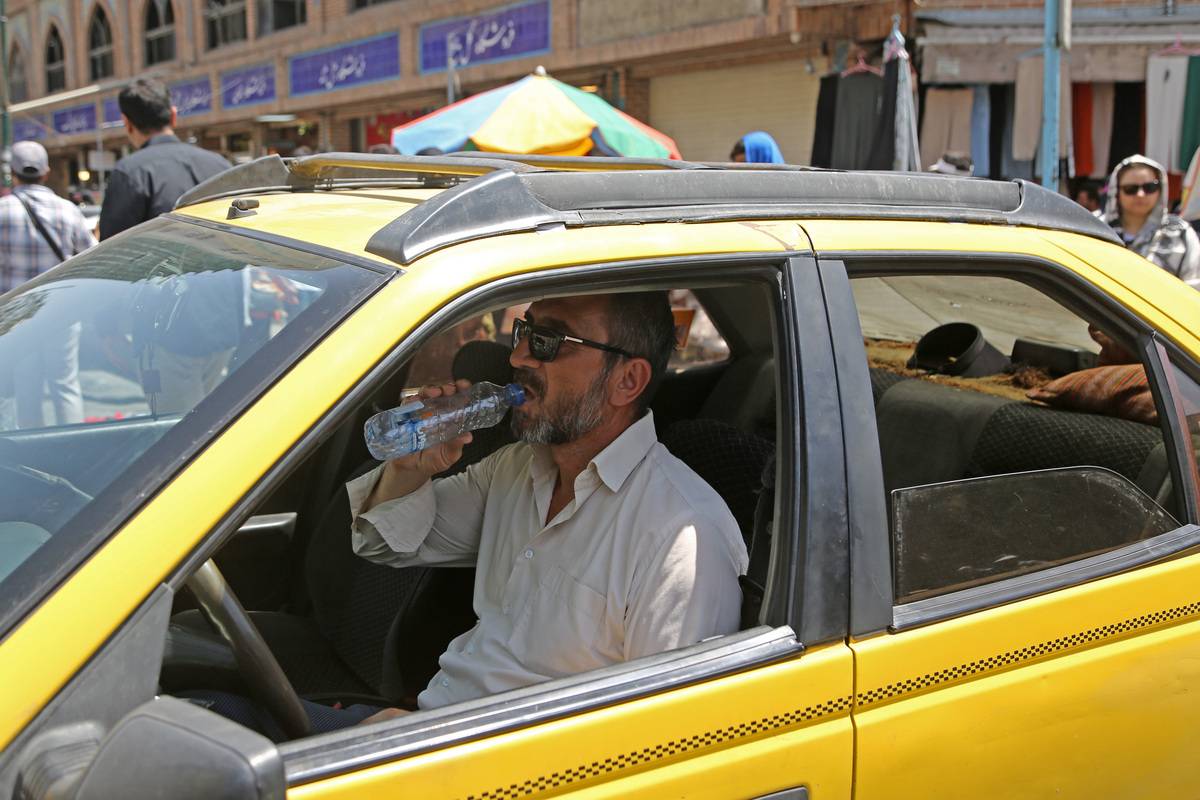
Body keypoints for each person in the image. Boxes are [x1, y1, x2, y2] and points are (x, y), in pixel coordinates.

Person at [348, 292, 747, 722]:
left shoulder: (681, 539)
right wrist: (410, 468)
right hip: (424, 728)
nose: (518, 357)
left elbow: (668, 738)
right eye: (526, 331)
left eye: (549, 341)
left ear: (627, 381)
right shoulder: (516, 468)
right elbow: (386, 544)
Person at [0, 140, 97, 428]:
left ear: (13, 173)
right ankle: (72, 445)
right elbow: (92, 255)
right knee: (65, 383)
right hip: (62, 309)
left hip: (17, 313)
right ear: (45, 173)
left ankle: (32, 452)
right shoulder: (68, 210)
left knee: (26, 386)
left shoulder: (2, 210)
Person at [98, 78, 230, 240]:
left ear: (127, 123)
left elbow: (111, 248)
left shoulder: (130, 172)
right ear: (173, 116)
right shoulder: (219, 164)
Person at [1100, 155, 1200, 290]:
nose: (1140, 194)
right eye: (1131, 189)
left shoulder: (1180, 232)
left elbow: (1194, 282)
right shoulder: (1097, 228)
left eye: (1149, 187)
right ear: (1116, 190)